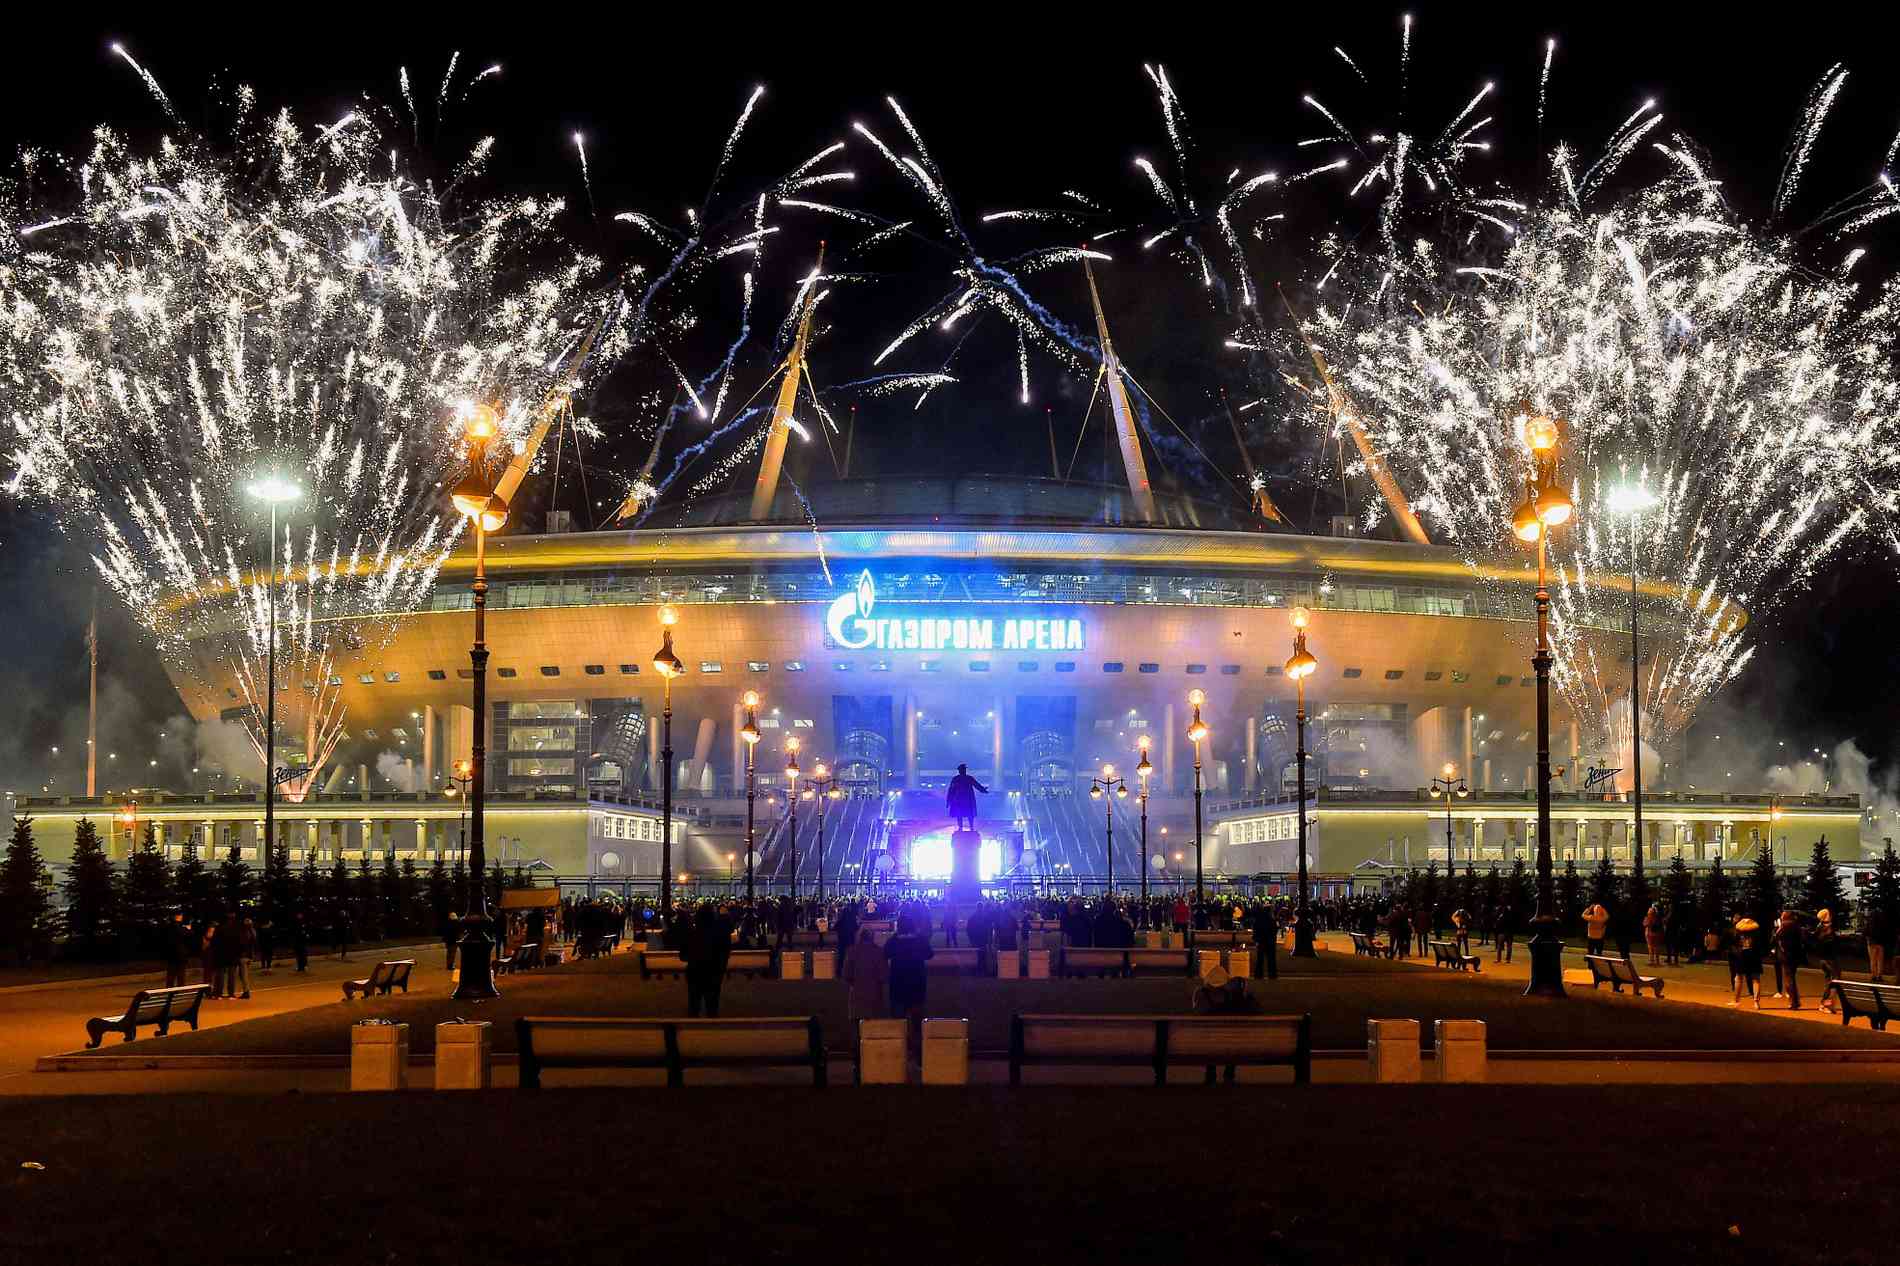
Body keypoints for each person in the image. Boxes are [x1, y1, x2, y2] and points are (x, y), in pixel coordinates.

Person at [884, 914, 935, 1055]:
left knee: (898, 1023)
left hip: (898, 985)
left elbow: (885, 953)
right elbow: (930, 954)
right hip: (917, 985)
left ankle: (898, 1053)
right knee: (917, 1023)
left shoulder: (894, 942)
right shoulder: (919, 940)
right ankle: (919, 1054)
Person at [682, 905, 733, 1018]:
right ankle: (711, 1028)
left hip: (695, 972)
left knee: (694, 1005)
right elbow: (726, 953)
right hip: (714, 972)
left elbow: (683, 956)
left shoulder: (692, 933)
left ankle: (692, 1029)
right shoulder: (721, 934)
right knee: (712, 1005)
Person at [841, 928, 888, 1024]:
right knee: (872, 1029)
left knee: (857, 1025)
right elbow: (884, 975)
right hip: (874, 994)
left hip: (856, 993)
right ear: (872, 938)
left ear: (860, 938)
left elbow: (846, 974)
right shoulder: (878, 952)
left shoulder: (851, 951)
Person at [1773, 910, 1806, 1010]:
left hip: (1786, 955)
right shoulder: (1797, 926)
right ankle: (1795, 1000)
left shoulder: (1784, 926)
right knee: (1792, 977)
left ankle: (1793, 1002)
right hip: (1795, 955)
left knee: (1789, 979)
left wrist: (1777, 929)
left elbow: (1775, 938)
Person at [1729, 916, 1763, 1009]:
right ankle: (1756, 1002)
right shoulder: (1757, 934)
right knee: (1756, 979)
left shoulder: (1739, 933)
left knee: (1739, 977)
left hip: (1743, 955)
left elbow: (1734, 945)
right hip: (1754, 956)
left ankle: (1736, 1000)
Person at [1813, 910, 1843, 1014]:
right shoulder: (1828, 929)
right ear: (1826, 916)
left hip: (1823, 959)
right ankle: (1828, 1004)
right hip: (1830, 959)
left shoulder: (1819, 927)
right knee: (1835, 980)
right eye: (1829, 914)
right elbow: (1832, 943)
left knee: (1829, 981)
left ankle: (1825, 1003)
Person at [945, 763, 988, 831]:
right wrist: (983, 790)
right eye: (963, 769)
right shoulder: (966, 778)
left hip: (960, 799)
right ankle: (969, 827)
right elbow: (977, 785)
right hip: (965, 799)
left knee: (962, 814)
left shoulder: (957, 778)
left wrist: (948, 801)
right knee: (966, 814)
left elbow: (951, 790)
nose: (963, 770)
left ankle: (964, 827)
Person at [1863, 904, 1890, 981]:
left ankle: (1874, 975)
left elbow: (1865, 932)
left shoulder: (1869, 922)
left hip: (1872, 942)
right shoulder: (1882, 922)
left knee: (1873, 960)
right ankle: (1879, 975)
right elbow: (1885, 932)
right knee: (1880, 960)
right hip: (1880, 943)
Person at [163, 914, 191, 988]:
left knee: (171, 973)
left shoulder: (168, 926)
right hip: (180, 952)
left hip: (171, 952)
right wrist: (188, 929)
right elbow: (186, 936)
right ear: (179, 917)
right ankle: (180, 988)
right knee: (181, 972)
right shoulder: (180, 927)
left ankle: (169, 988)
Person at [1643, 903, 1666, 967]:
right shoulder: (1657, 918)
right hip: (1655, 934)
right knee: (1656, 947)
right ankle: (1656, 961)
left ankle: (1652, 960)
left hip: (1649, 934)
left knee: (1651, 947)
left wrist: (1649, 922)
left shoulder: (1648, 918)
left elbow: (1645, 925)